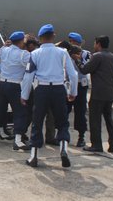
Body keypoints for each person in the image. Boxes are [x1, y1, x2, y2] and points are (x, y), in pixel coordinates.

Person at [21, 24, 78, 168]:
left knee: (37, 122)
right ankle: (63, 150)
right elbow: (73, 75)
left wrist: (24, 95)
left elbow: (28, 77)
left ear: (40, 38)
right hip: (59, 89)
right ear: (53, 36)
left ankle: (34, 156)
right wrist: (73, 92)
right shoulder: (63, 52)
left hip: (42, 89)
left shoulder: (35, 54)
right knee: (62, 122)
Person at [0, 31, 30, 150]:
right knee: (20, 112)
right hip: (15, 86)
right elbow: (33, 66)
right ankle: (18, 141)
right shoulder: (23, 54)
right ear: (21, 41)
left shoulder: (3, 50)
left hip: (2, 84)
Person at [77, 35, 113, 153]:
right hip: (110, 93)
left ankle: (96, 144)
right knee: (108, 118)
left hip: (98, 94)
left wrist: (77, 60)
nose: (94, 45)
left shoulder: (97, 56)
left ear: (98, 43)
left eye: (95, 43)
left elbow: (85, 69)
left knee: (95, 120)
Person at [68, 32, 91, 147]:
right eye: (70, 41)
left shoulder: (86, 54)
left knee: (80, 111)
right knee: (65, 110)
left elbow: (85, 69)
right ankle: (63, 134)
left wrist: (77, 58)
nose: (71, 44)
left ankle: (81, 136)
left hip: (81, 85)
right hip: (68, 85)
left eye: (73, 42)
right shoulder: (65, 53)